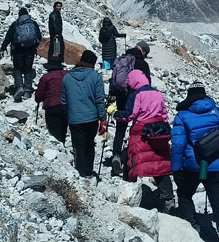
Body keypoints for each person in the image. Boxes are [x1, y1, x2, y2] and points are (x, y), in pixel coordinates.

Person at [172, 82, 219, 242]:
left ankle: (191, 226)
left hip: (193, 165)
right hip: (216, 164)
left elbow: (178, 145)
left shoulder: (182, 115)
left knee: (184, 193)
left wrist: (176, 168)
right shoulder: (218, 112)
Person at [118, 69, 173, 211]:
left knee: (132, 161)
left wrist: (115, 112)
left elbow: (130, 115)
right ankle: (168, 199)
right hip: (158, 132)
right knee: (161, 164)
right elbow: (165, 115)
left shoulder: (136, 95)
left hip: (141, 133)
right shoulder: (158, 94)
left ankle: (129, 192)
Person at [59, 50, 107, 178]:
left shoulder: (67, 77)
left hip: (74, 118)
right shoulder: (95, 77)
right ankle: (88, 171)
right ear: (91, 63)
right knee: (89, 143)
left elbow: (63, 101)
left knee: (78, 145)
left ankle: (79, 172)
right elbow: (99, 100)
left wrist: (67, 117)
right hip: (91, 118)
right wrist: (103, 119)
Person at [109, 41, 152, 176]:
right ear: (143, 52)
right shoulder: (142, 64)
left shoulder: (122, 60)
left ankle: (116, 155)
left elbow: (114, 80)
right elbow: (147, 84)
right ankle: (132, 158)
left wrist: (112, 98)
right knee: (136, 128)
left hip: (121, 97)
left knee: (120, 126)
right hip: (136, 99)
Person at [0, 7, 42, 102]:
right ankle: (27, 91)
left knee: (17, 69)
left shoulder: (16, 24)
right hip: (30, 51)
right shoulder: (33, 24)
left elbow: (8, 37)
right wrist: (34, 46)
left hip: (17, 50)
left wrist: (3, 48)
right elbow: (39, 37)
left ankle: (19, 87)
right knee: (28, 69)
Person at [34, 59, 69, 144]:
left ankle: (58, 146)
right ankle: (63, 142)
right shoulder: (67, 75)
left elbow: (40, 94)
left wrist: (38, 100)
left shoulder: (46, 77)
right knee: (63, 125)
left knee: (54, 129)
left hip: (52, 106)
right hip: (67, 105)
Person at [47, 2, 65, 67]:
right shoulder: (54, 15)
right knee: (57, 47)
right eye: (58, 6)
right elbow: (54, 24)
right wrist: (57, 33)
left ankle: (53, 61)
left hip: (55, 34)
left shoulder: (56, 14)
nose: (59, 8)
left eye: (60, 6)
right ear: (55, 7)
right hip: (56, 34)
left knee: (54, 47)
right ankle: (56, 61)